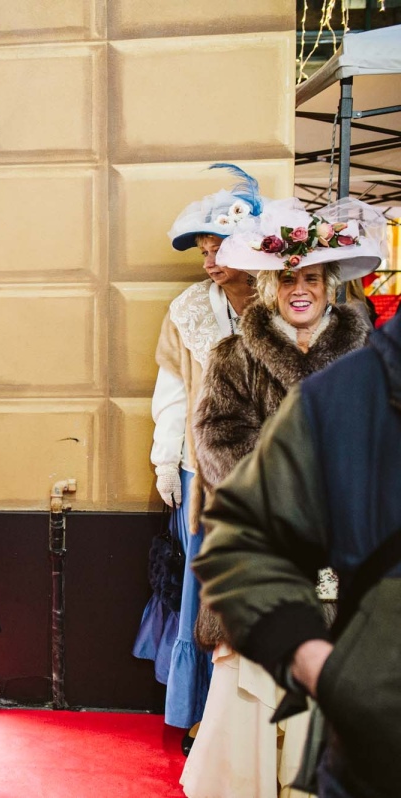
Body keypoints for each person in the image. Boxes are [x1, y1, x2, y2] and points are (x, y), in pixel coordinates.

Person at [181, 197, 381, 797]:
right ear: (270, 286)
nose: (301, 291)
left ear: (329, 285)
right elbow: (216, 441)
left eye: (311, 279)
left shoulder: (368, 359)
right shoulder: (234, 355)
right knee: (253, 698)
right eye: (289, 279)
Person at [134, 164, 263, 743]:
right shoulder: (188, 309)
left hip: (266, 473)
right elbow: (172, 389)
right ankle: (202, 715)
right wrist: (167, 460)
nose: (210, 260)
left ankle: (252, 716)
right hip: (200, 468)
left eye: (220, 247)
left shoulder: (282, 303)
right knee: (203, 585)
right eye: (204, 250)